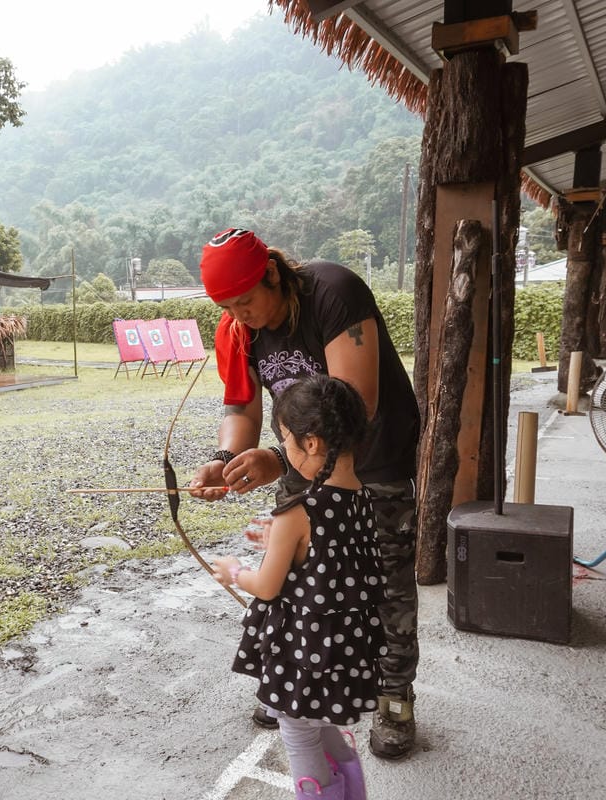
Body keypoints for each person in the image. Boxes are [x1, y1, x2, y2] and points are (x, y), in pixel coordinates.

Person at [191, 227, 421, 760]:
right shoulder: (239, 328)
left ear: (272, 272)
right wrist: (226, 460)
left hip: (370, 468)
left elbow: (354, 403)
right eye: (227, 307)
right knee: (296, 583)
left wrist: (276, 458)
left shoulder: (333, 293)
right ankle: (290, 686)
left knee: (381, 586)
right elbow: (242, 407)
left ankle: (392, 696)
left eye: (246, 301)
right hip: (298, 463)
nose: (239, 315)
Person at [212, 374, 385, 800]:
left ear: (311, 443)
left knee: (297, 731)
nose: (285, 451)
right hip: (345, 646)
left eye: (286, 440)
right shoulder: (362, 497)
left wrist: (233, 571)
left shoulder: (298, 511)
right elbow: (330, 560)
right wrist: (277, 539)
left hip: (305, 650)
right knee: (321, 724)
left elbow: (267, 587)